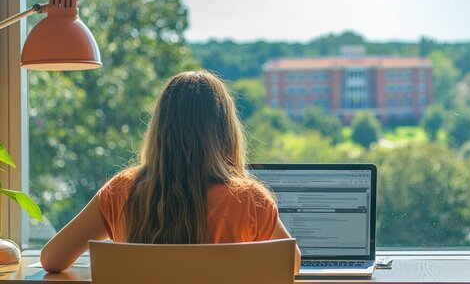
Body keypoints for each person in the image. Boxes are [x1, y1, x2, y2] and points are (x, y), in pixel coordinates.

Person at [40, 70, 301, 273]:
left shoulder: (122, 191)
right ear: (225, 131)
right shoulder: (250, 201)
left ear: (160, 130)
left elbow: (52, 259)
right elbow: (291, 264)